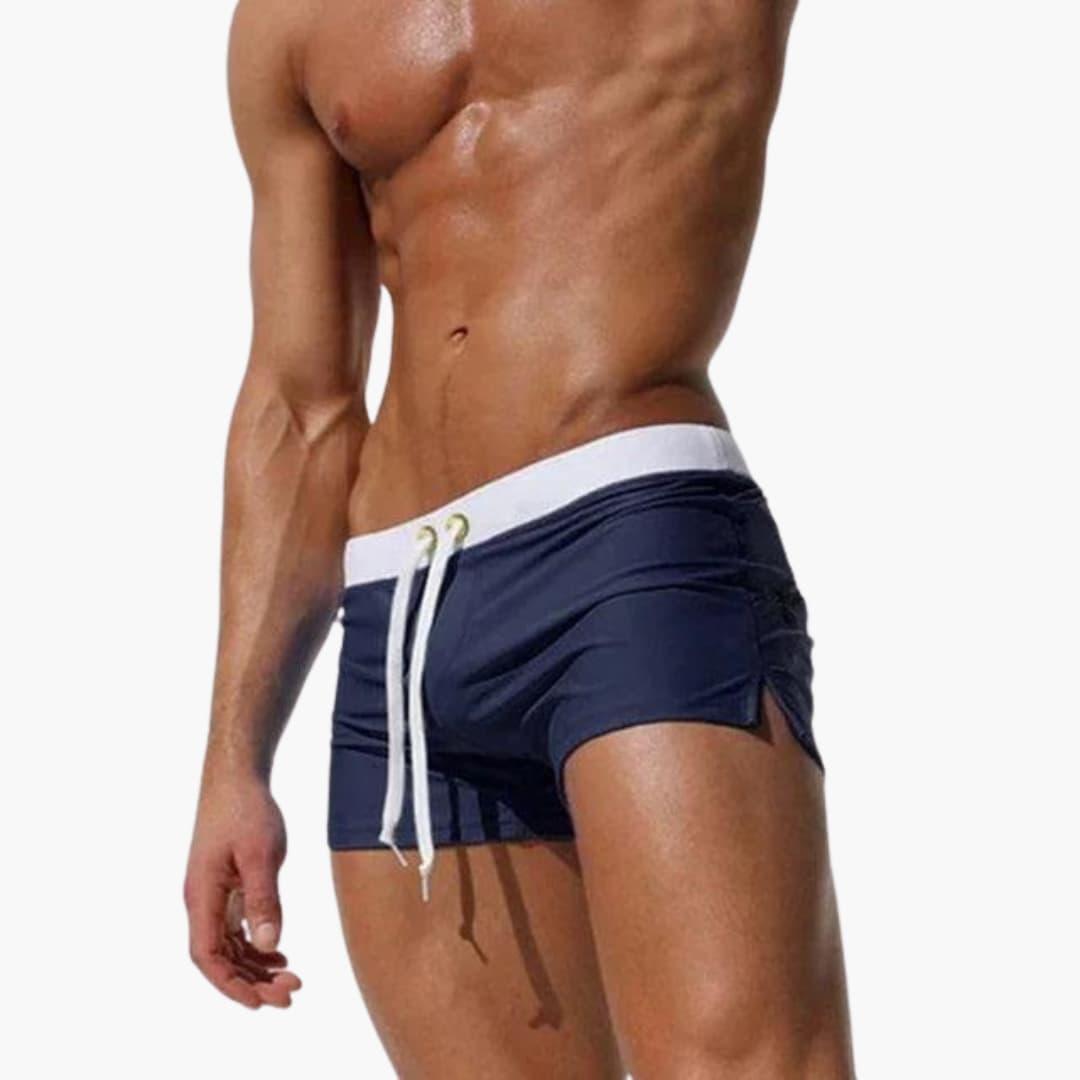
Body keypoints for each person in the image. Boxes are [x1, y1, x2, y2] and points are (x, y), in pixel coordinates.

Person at [184, 0, 855, 1075]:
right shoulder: (288, 20)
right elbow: (298, 408)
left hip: (629, 552)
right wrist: (234, 759)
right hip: (402, 627)